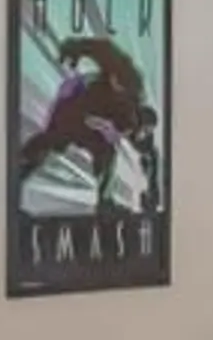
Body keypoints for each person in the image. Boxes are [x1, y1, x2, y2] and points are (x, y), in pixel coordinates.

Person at [15, 34, 161, 213]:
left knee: (106, 151)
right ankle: (17, 174)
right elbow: (104, 49)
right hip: (77, 101)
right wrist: (75, 48)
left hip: (94, 120)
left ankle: (105, 203)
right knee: (52, 140)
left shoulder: (135, 128)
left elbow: (151, 156)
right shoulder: (128, 81)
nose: (132, 136)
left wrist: (153, 193)